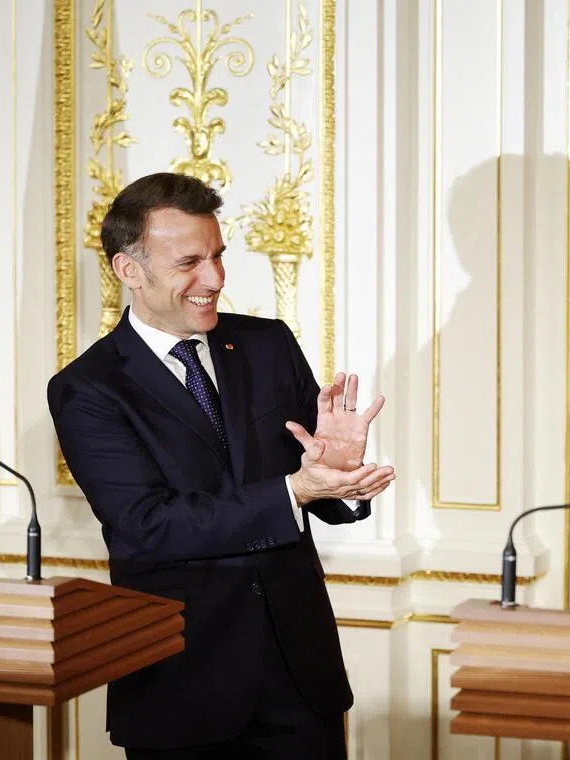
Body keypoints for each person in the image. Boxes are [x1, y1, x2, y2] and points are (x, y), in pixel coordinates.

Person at [47, 172, 394, 759]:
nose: (213, 280)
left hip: (299, 678)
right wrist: (294, 490)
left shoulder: (268, 343)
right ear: (128, 269)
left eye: (217, 257)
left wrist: (338, 474)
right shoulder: (89, 389)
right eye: (189, 262)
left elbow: (315, 485)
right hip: (183, 683)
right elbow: (148, 525)